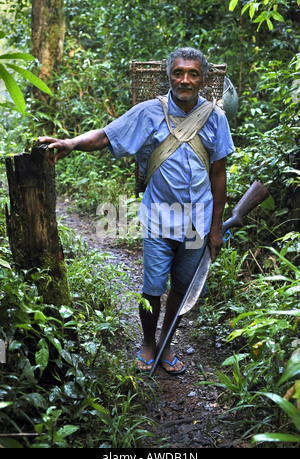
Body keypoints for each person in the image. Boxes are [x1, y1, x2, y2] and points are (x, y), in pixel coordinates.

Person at [38, 47, 234, 375]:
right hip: (159, 219)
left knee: (181, 289)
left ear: (204, 79)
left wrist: (215, 227)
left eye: (193, 74)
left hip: (197, 222)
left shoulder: (216, 118)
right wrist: (71, 143)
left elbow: (218, 173)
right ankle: (147, 341)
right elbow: (105, 136)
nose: (185, 80)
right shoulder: (147, 113)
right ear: (168, 75)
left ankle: (167, 344)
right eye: (178, 73)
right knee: (153, 288)